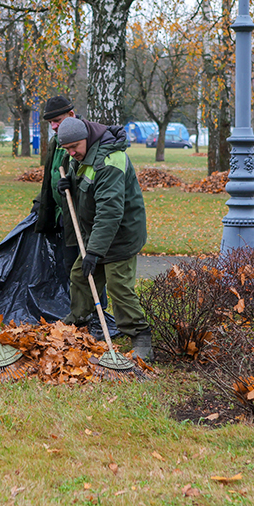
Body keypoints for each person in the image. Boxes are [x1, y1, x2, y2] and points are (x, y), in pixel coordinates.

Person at [55, 116, 153, 360]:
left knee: (118, 286)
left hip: (120, 236)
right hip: (96, 234)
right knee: (80, 275)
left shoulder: (110, 160)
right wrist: (69, 185)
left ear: (87, 139)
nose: (70, 153)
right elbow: (87, 195)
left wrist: (96, 252)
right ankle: (79, 321)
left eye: (74, 147)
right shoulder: (77, 156)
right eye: (66, 149)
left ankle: (140, 337)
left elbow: (110, 211)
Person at [32, 95, 77, 272]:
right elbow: (49, 179)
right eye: (50, 122)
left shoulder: (82, 138)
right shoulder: (55, 142)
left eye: (57, 121)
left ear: (71, 114)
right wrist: (41, 201)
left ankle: (96, 301)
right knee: (64, 266)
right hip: (61, 216)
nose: (54, 127)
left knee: (81, 270)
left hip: (77, 217)